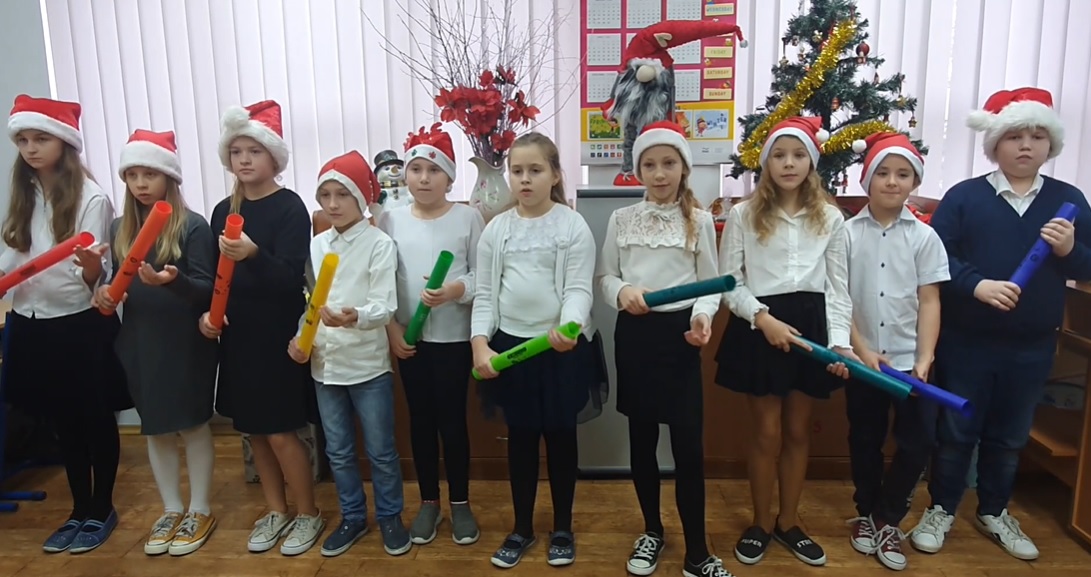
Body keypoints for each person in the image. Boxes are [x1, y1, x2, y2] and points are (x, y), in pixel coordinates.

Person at [910, 87, 1091, 560]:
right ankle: (942, 508)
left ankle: (994, 511)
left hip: (1032, 345)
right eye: (1014, 136)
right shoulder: (965, 197)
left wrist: (1070, 249)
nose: (1026, 146)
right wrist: (977, 286)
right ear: (995, 143)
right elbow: (937, 260)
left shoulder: (1068, 200)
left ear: (1051, 144)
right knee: (956, 432)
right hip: (966, 341)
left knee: (1010, 437)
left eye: (1037, 136)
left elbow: (1088, 265)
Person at [715, 116, 855, 567]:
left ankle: (788, 522)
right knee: (767, 432)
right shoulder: (744, 214)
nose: (788, 163)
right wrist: (762, 318)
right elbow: (729, 281)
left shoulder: (831, 217)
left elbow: (837, 288)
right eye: (779, 155)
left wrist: (840, 343)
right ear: (766, 163)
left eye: (797, 155)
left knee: (797, 430)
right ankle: (759, 523)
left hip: (811, 328)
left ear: (811, 163)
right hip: (761, 326)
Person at [596, 121, 731, 577]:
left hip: (680, 336)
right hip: (636, 335)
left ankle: (698, 552)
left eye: (668, 163)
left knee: (688, 446)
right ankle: (652, 530)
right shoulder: (621, 219)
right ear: (638, 170)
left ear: (683, 168)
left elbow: (710, 285)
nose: (659, 173)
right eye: (650, 164)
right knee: (642, 439)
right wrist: (623, 292)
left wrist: (701, 317)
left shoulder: (699, 221)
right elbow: (605, 277)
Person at [1, 95, 131, 554]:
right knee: (62, 422)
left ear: (64, 143)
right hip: (31, 321)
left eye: (41, 138)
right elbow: (14, 252)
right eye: (23, 140)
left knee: (94, 418)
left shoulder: (91, 198)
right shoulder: (23, 193)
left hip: (77, 325)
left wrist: (90, 269)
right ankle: (77, 510)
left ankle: (101, 507)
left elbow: (97, 275)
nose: (31, 148)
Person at [472, 132, 607, 568]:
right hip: (511, 349)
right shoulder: (497, 229)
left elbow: (578, 289)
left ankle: (562, 526)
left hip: (560, 350)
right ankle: (522, 528)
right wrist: (479, 344)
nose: (525, 179)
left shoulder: (571, 225)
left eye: (535, 170)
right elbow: (485, 295)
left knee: (561, 439)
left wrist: (568, 327)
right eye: (517, 171)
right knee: (522, 440)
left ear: (555, 175)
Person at [197, 100, 323, 556]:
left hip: (276, 337)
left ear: (274, 158)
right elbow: (216, 278)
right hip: (239, 337)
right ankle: (276, 510)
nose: (245, 160)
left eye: (254, 151)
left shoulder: (290, 207)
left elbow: (291, 278)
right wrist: (211, 314)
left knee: (281, 431)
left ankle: (308, 512)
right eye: (237, 152)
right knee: (253, 432)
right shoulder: (222, 211)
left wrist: (253, 254)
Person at [94, 130, 220, 556]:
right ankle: (171, 508)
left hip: (184, 342)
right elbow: (117, 284)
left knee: (191, 423)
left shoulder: (192, 226)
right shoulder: (119, 228)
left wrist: (173, 280)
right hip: (139, 341)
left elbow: (206, 289)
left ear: (169, 177)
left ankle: (200, 508)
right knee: (156, 427)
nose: (141, 183)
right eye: (132, 175)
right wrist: (104, 290)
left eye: (149, 174)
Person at [287, 150, 411, 558]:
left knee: (380, 450)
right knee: (338, 451)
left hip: (368, 366)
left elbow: (385, 305)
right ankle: (353, 516)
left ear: (360, 198)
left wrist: (355, 316)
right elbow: (312, 301)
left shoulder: (379, 244)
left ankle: (390, 516)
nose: (333, 204)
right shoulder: (318, 244)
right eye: (325, 195)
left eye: (342, 194)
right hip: (325, 366)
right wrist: (301, 339)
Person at [839, 132, 949, 571]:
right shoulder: (846, 234)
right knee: (864, 438)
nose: (892, 181)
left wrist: (925, 357)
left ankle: (889, 517)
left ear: (914, 182)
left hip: (909, 362)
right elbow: (839, 298)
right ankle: (866, 512)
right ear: (867, 179)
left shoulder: (925, 237)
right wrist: (861, 349)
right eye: (882, 172)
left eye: (903, 174)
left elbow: (930, 300)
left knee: (918, 442)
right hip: (865, 362)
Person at [379, 124, 484, 546]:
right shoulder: (391, 219)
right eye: (416, 169)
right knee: (420, 421)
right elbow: (382, 280)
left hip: (454, 339)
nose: (424, 179)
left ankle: (460, 502)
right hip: (410, 340)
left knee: (452, 421)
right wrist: (392, 328)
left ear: (449, 178)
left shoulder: (468, 217)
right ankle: (428, 501)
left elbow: (482, 276)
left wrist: (455, 290)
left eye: (434, 170)